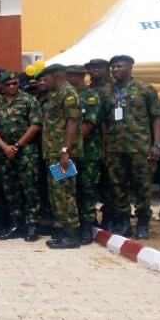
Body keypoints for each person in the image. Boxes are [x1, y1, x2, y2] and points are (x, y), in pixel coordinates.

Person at [100, 55, 160, 239]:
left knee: (142, 187)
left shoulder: (145, 89)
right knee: (118, 187)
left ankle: (143, 223)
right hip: (114, 149)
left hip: (140, 148)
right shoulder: (107, 92)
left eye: (119, 66)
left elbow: (157, 117)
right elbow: (103, 119)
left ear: (130, 68)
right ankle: (124, 222)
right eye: (113, 67)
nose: (114, 70)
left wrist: (156, 144)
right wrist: (106, 142)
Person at [0, 71, 43, 241]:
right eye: (9, 84)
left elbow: (35, 125)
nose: (12, 86)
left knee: (30, 188)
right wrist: (5, 147)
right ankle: (17, 224)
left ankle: (32, 225)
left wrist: (18, 145)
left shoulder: (28, 100)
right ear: (2, 86)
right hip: (5, 154)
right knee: (11, 190)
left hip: (26, 152)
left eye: (15, 83)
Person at [41, 64, 83, 249]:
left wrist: (65, 150)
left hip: (62, 155)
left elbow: (72, 122)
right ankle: (62, 230)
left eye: (46, 78)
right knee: (56, 193)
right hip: (53, 153)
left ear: (56, 75)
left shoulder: (68, 92)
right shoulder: (56, 94)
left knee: (65, 193)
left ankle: (72, 234)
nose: (43, 82)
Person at [66, 64, 101, 245]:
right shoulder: (67, 95)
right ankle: (74, 224)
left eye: (71, 76)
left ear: (79, 76)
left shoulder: (90, 96)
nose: (68, 79)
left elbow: (88, 125)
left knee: (87, 188)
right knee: (72, 188)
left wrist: (69, 144)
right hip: (69, 153)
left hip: (87, 153)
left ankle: (87, 225)